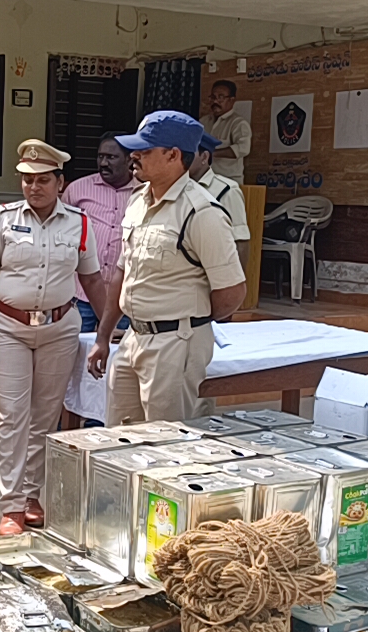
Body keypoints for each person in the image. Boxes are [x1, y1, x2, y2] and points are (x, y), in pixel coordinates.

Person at [0, 140, 110, 536]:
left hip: (59, 329)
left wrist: (106, 330)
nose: (34, 187)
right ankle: (12, 505)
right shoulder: (3, 219)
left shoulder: (79, 223)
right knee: (12, 416)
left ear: (60, 182)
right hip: (8, 328)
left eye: (43, 180)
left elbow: (92, 280)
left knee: (46, 416)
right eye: (27, 180)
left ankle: (32, 495)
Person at [87, 112, 247, 426]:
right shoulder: (138, 201)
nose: (134, 156)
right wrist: (103, 336)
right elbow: (122, 272)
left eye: (145, 150)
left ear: (173, 155)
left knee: (168, 442)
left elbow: (231, 291)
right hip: (134, 337)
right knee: (120, 438)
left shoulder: (202, 212)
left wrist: (189, 320)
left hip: (175, 344)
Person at [61, 132, 139, 333]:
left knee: (120, 350)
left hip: (123, 296)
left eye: (111, 157)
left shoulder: (145, 193)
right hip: (81, 294)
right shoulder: (77, 190)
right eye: (100, 156)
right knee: (76, 347)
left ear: (130, 159)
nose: (103, 163)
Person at [190, 133, 251, 270]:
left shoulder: (226, 190)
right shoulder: (179, 188)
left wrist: (237, 280)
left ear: (204, 157)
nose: (182, 159)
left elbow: (240, 241)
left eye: (188, 153)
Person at [199, 80, 252, 185]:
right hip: (204, 180)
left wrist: (212, 153)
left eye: (221, 97)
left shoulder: (238, 123)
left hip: (228, 182)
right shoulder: (203, 122)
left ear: (232, 100)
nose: (215, 101)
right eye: (213, 97)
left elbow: (243, 148)